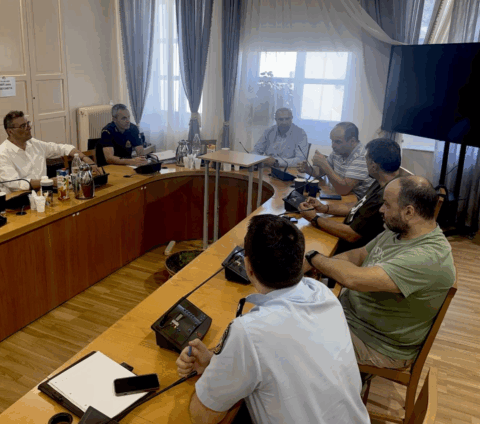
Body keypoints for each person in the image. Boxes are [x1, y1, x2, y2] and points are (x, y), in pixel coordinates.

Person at [175, 214, 370, 424]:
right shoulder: (322, 293)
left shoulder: (249, 332)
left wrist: (216, 372)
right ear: (300, 259)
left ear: (248, 267)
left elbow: (202, 416)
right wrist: (216, 362)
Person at [303, 176, 456, 370]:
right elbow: (359, 255)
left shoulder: (428, 257)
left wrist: (313, 258)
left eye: (387, 204)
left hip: (375, 344)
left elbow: (354, 279)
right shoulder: (401, 230)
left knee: (288, 336)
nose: (381, 210)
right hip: (351, 315)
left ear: (409, 212)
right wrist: (321, 266)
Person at [297, 138, 402, 252]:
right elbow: (359, 206)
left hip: (350, 248)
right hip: (346, 233)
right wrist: (324, 208)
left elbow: (352, 235)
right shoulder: (382, 181)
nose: (364, 163)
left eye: (366, 159)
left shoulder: (385, 196)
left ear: (373, 166)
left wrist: (314, 218)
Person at [0, 111, 99, 192]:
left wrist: (85, 158)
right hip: (18, 203)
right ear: (10, 131)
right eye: (23, 126)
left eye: (28, 123)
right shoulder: (2, 154)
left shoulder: (34, 144)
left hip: (43, 195)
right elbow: (16, 184)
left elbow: (63, 148)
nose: (28, 128)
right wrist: (49, 182)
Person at [297, 122, 374, 198]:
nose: (333, 146)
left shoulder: (362, 156)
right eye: (332, 141)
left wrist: (324, 164)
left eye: (338, 142)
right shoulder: (339, 151)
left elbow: (343, 190)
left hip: (355, 200)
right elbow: (320, 172)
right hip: (342, 194)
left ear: (352, 141)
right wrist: (308, 169)